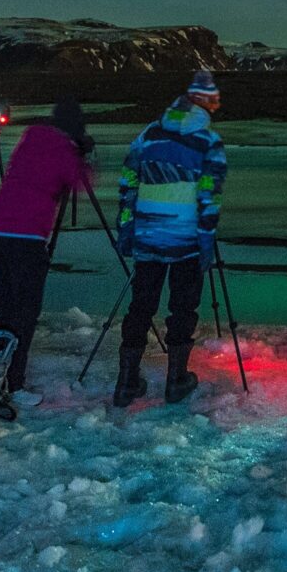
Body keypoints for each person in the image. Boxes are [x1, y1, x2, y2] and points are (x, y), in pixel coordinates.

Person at [113, 71, 228, 407]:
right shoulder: (209, 142)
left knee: (141, 305)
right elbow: (210, 198)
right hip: (186, 240)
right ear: (205, 103)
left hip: (148, 235)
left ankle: (126, 382)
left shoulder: (148, 134)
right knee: (182, 307)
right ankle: (176, 380)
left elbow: (128, 184)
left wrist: (127, 229)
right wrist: (206, 242)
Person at [0, 97, 97, 404]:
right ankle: (14, 384)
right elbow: (82, 182)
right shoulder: (64, 150)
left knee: (4, 304)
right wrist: (83, 155)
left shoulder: (30, 138)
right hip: (26, 237)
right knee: (25, 311)